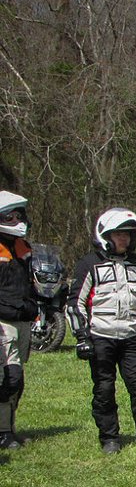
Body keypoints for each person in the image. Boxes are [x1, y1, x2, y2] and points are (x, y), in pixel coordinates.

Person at [67, 208, 136, 453]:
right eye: (119, 234)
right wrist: (82, 338)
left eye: (129, 235)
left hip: (132, 337)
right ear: (105, 235)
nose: (125, 239)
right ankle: (110, 438)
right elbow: (75, 304)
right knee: (104, 389)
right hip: (101, 337)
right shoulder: (89, 264)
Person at [0, 190, 37, 450]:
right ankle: (3, 432)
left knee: (17, 379)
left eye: (21, 215)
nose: (20, 221)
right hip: (2, 320)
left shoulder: (23, 248)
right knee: (9, 376)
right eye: (13, 216)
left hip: (23, 319)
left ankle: (8, 429)